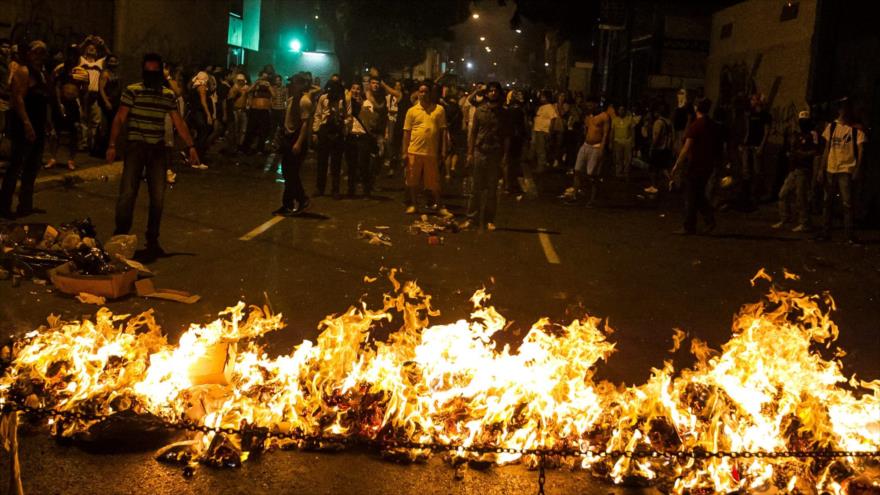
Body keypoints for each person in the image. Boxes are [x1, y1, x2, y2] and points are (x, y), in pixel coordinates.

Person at [106, 53, 200, 259]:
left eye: (154, 69)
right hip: (135, 147)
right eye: (148, 68)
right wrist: (112, 145)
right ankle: (120, 234)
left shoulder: (166, 95)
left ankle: (153, 238)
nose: (151, 73)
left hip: (157, 149)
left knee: (158, 197)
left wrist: (190, 146)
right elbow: (120, 118)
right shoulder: (132, 91)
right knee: (128, 193)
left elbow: (178, 122)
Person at [0, 41, 50, 220]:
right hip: (24, 126)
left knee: (32, 167)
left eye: (43, 52)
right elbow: (18, 99)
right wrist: (27, 123)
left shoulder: (42, 73)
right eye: (36, 52)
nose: (40, 56)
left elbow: (44, 100)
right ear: (28, 53)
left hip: (38, 125)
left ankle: (25, 205)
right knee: (16, 165)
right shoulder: (23, 71)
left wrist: (47, 124)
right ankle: (4, 206)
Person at [817, 98, 866, 243]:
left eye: (846, 108)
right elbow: (827, 149)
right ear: (839, 110)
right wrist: (821, 169)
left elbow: (861, 150)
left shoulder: (856, 129)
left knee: (847, 203)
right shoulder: (832, 127)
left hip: (846, 168)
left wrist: (857, 169)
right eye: (842, 108)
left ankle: (849, 235)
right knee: (828, 202)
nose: (844, 111)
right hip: (831, 168)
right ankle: (826, 233)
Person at [463, 81, 509, 231]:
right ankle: (471, 219)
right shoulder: (480, 110)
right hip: (479, 152)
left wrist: (505, 156)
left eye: (496, 91)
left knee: (491, 189)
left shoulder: (503, 113)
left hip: (495, 153)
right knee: (475, 188)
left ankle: (489, 219)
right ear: (487, 93)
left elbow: (506, 136)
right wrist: (470, 153)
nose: (493, 93)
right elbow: (473, 133)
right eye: (490, 91)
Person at [670, 97, 720, 235]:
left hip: (696, 164)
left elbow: (686, 148)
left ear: (697, 108)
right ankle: (709, 221)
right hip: (708, 164)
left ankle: (689, 225)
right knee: (698, 195)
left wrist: (677, 165)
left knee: (691, 196)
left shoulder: (696, 125)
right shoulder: (712, 124)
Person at [402, 80, 451, 216]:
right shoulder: (411, 111)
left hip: (431, 152)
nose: (423, 94)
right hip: (414, 151)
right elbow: (406, 132)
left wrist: (443, 150)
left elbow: (443, 131)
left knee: (434, 182)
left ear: (430, 93)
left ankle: (440, 206)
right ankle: (414, 205)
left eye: (426, 91)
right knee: (412, 181)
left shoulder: (439, 110)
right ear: (417, 93)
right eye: (421, 91)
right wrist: (404, 152)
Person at [773, 110, 819, 232]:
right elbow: (792, 149)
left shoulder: (812, 134)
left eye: (805, 121)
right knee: (782, 194)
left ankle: (805, 223)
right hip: (794, 169)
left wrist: (802, 154)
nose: (803, 123)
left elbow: (816, 151)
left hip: (804, 170)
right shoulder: (797, 135)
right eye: (801, 121)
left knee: (801, 197)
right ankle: (785, 218)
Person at [273, 73, 312, 216]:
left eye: (294, 83)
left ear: (300, 85)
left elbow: (305, 124)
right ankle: (288, 204)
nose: (290, 85)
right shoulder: (292, 99)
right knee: (287, 171)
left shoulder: (304, 101)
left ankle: (302, 199)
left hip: (296, 138)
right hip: (289, 137)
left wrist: (298, 143)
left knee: (292, 173)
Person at [570, 99, 610, 206]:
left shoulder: (604, 116)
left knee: (591, 174)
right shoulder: (588, 116)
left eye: (591, 104)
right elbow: (586, 130)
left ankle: (593, 198)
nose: (589, 106)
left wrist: (602, 147)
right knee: (577, 170)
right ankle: (574, 195)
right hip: (586, 145)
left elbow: (606, 133)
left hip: (596, 147)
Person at [312, 79, 347, 198]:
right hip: (325, 129)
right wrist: (315, 132)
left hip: (337, 130)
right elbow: (318, 114)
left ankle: (335, 189)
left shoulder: (343, 100)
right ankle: (320, 188)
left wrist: (343, 125)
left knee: (336, 162)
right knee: (322, 160)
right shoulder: (323, 98)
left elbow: (348, 115)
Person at [740, 94, 771, 207]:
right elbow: (748, 129)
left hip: (757, 145)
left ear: (758, 101)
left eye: (753, 99)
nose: (751, 102)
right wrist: (744, 143)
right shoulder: (750, 114)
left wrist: (762, 146)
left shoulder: (765, 115)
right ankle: (746, 195)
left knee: (758, 171)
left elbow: (766, 132)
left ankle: (757, 194)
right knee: (746, 170)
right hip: (749, 145)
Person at [77, 35, 107, 153]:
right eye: (89, 48)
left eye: (93, 48)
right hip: (83, 93)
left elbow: (109, 56)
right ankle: (82, 143)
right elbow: (76, 51)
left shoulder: (99, 63)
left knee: (95, 121)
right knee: (82, 119)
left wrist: (103, 45)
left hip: (95, 95)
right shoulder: (81, 60)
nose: (91, 49)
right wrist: (86, 41)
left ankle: (93, 144)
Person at [240, 72, 274, 154]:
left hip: (265, 111)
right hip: (255, 110)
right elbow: (248, 91)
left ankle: (260, 148)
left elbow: (274, 94)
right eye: (262, 78)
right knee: (250, 129)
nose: (263, 80)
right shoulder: (256, 84)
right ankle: (245, 147)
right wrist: (256, 83)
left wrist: (268, 86)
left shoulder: (269, 85)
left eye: (265, 78)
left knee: (263, 130)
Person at [188, 70, 213, 168]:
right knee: (203, 134)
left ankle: (193, 158)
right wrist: (208, 115)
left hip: (195, 113)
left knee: (200, 135)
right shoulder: (202, 87)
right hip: (199, 114)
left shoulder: (194, 86)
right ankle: (198, 159)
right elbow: (203, 102)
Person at [646, 103, 673, 194]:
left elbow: (656, 136)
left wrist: (652, 147)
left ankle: (654, 186)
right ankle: (670, 180)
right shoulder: (669, 122)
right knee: (663, 167)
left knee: (653, 168)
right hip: (666, 148)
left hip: (658, 148)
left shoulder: (658, 122)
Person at [611, 104, 637, 179]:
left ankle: (626, 173)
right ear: (618, 111)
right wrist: (611, 141)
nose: (621, 111)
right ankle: (618, 173)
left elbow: (633, 131)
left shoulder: (629, 119)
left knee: (627, 159)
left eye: (623, 110)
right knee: (618, 158)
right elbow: (612, 131)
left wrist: (633, 142)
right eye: (620, 110)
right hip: (617, 141)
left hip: (627, 141)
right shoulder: (614, 120)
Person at [531, 90, 555, 173]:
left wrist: (549, 131)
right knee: (538, 148)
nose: (541, 98)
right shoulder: (541, 107)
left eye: (543, 97)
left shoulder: (549, 107)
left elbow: (553, 119)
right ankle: (539, 165)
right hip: (537, 130)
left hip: (543, 131)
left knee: (541, 149)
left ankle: (541, 167)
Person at [227, 73, 249, 150]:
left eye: (242, 80)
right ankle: (234, 146)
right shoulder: (234, 88)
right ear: (236, 81)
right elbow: (229, 99)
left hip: (243, 110)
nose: (241, 82)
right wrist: (236, 92)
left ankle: (240, 145)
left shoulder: (246, 88)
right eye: (239, 80)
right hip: (235, 110)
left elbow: (250, 95)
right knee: (235, 129)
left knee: (243, 129)